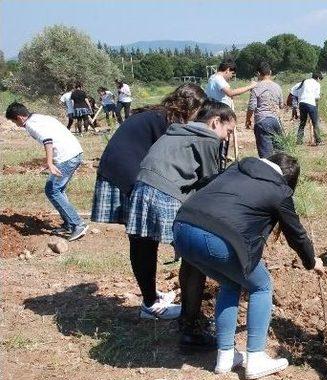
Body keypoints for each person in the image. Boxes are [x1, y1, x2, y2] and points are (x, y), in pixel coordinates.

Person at [173, 153, 325, 379]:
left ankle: (225, 356)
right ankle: (255, 357)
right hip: (215, 237)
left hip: (182, 228)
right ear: (289, 179)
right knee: (261, 285)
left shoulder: (238, 168)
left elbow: (207, 184)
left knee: (230, 282)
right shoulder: (279, 190)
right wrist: (312, 261)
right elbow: (296, 235)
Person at [91, 83, 207, 320]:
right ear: (191, 106)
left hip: (119, 170)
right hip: (127, 174)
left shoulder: (158, 115)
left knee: (143, 239)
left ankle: (150, 295)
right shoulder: (169, 123)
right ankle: (149, 305)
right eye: (200, 111)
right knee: (143, 239)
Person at [127, 100, 234, 326]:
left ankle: (150, 302)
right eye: (228, 131)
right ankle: (190, 321)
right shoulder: (208, 138)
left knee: (144, 246)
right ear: (215, 122)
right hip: (164, 193)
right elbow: (209, 184)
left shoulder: (176, 132)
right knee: (195, 254)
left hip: (141, 188)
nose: (226, 137)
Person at [5, 102, 88, 241]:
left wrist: (50, 162)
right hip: (74, 153)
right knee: (58, 190)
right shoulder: (39, 117)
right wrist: (52, 160)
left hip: (67, 157)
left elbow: (48, 141)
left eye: (14, 121)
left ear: (19, 117)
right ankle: (69, 224)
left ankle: (78, 224)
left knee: (52, 190)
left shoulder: (31, 125)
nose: (15, 124)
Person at [245, 63, 284, 158]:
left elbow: (252, 106)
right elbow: (281, 105)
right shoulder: (277, 87)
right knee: (279, 153)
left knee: (266, 156)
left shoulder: (256, 87)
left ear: (258, 73)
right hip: (276, 121)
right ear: (270, 72)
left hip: (262, 122)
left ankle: (268, 171)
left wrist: (248, 119)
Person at [295, 72, 323, 146]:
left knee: (302, 122)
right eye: (319, 79)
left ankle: (299, 140)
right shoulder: (317, 84)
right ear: (317, 78)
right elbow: (316, 97)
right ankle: (318, 140)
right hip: (310, 103)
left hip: (302, 103)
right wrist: (316, 109)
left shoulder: (306, 81)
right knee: (315, 123)